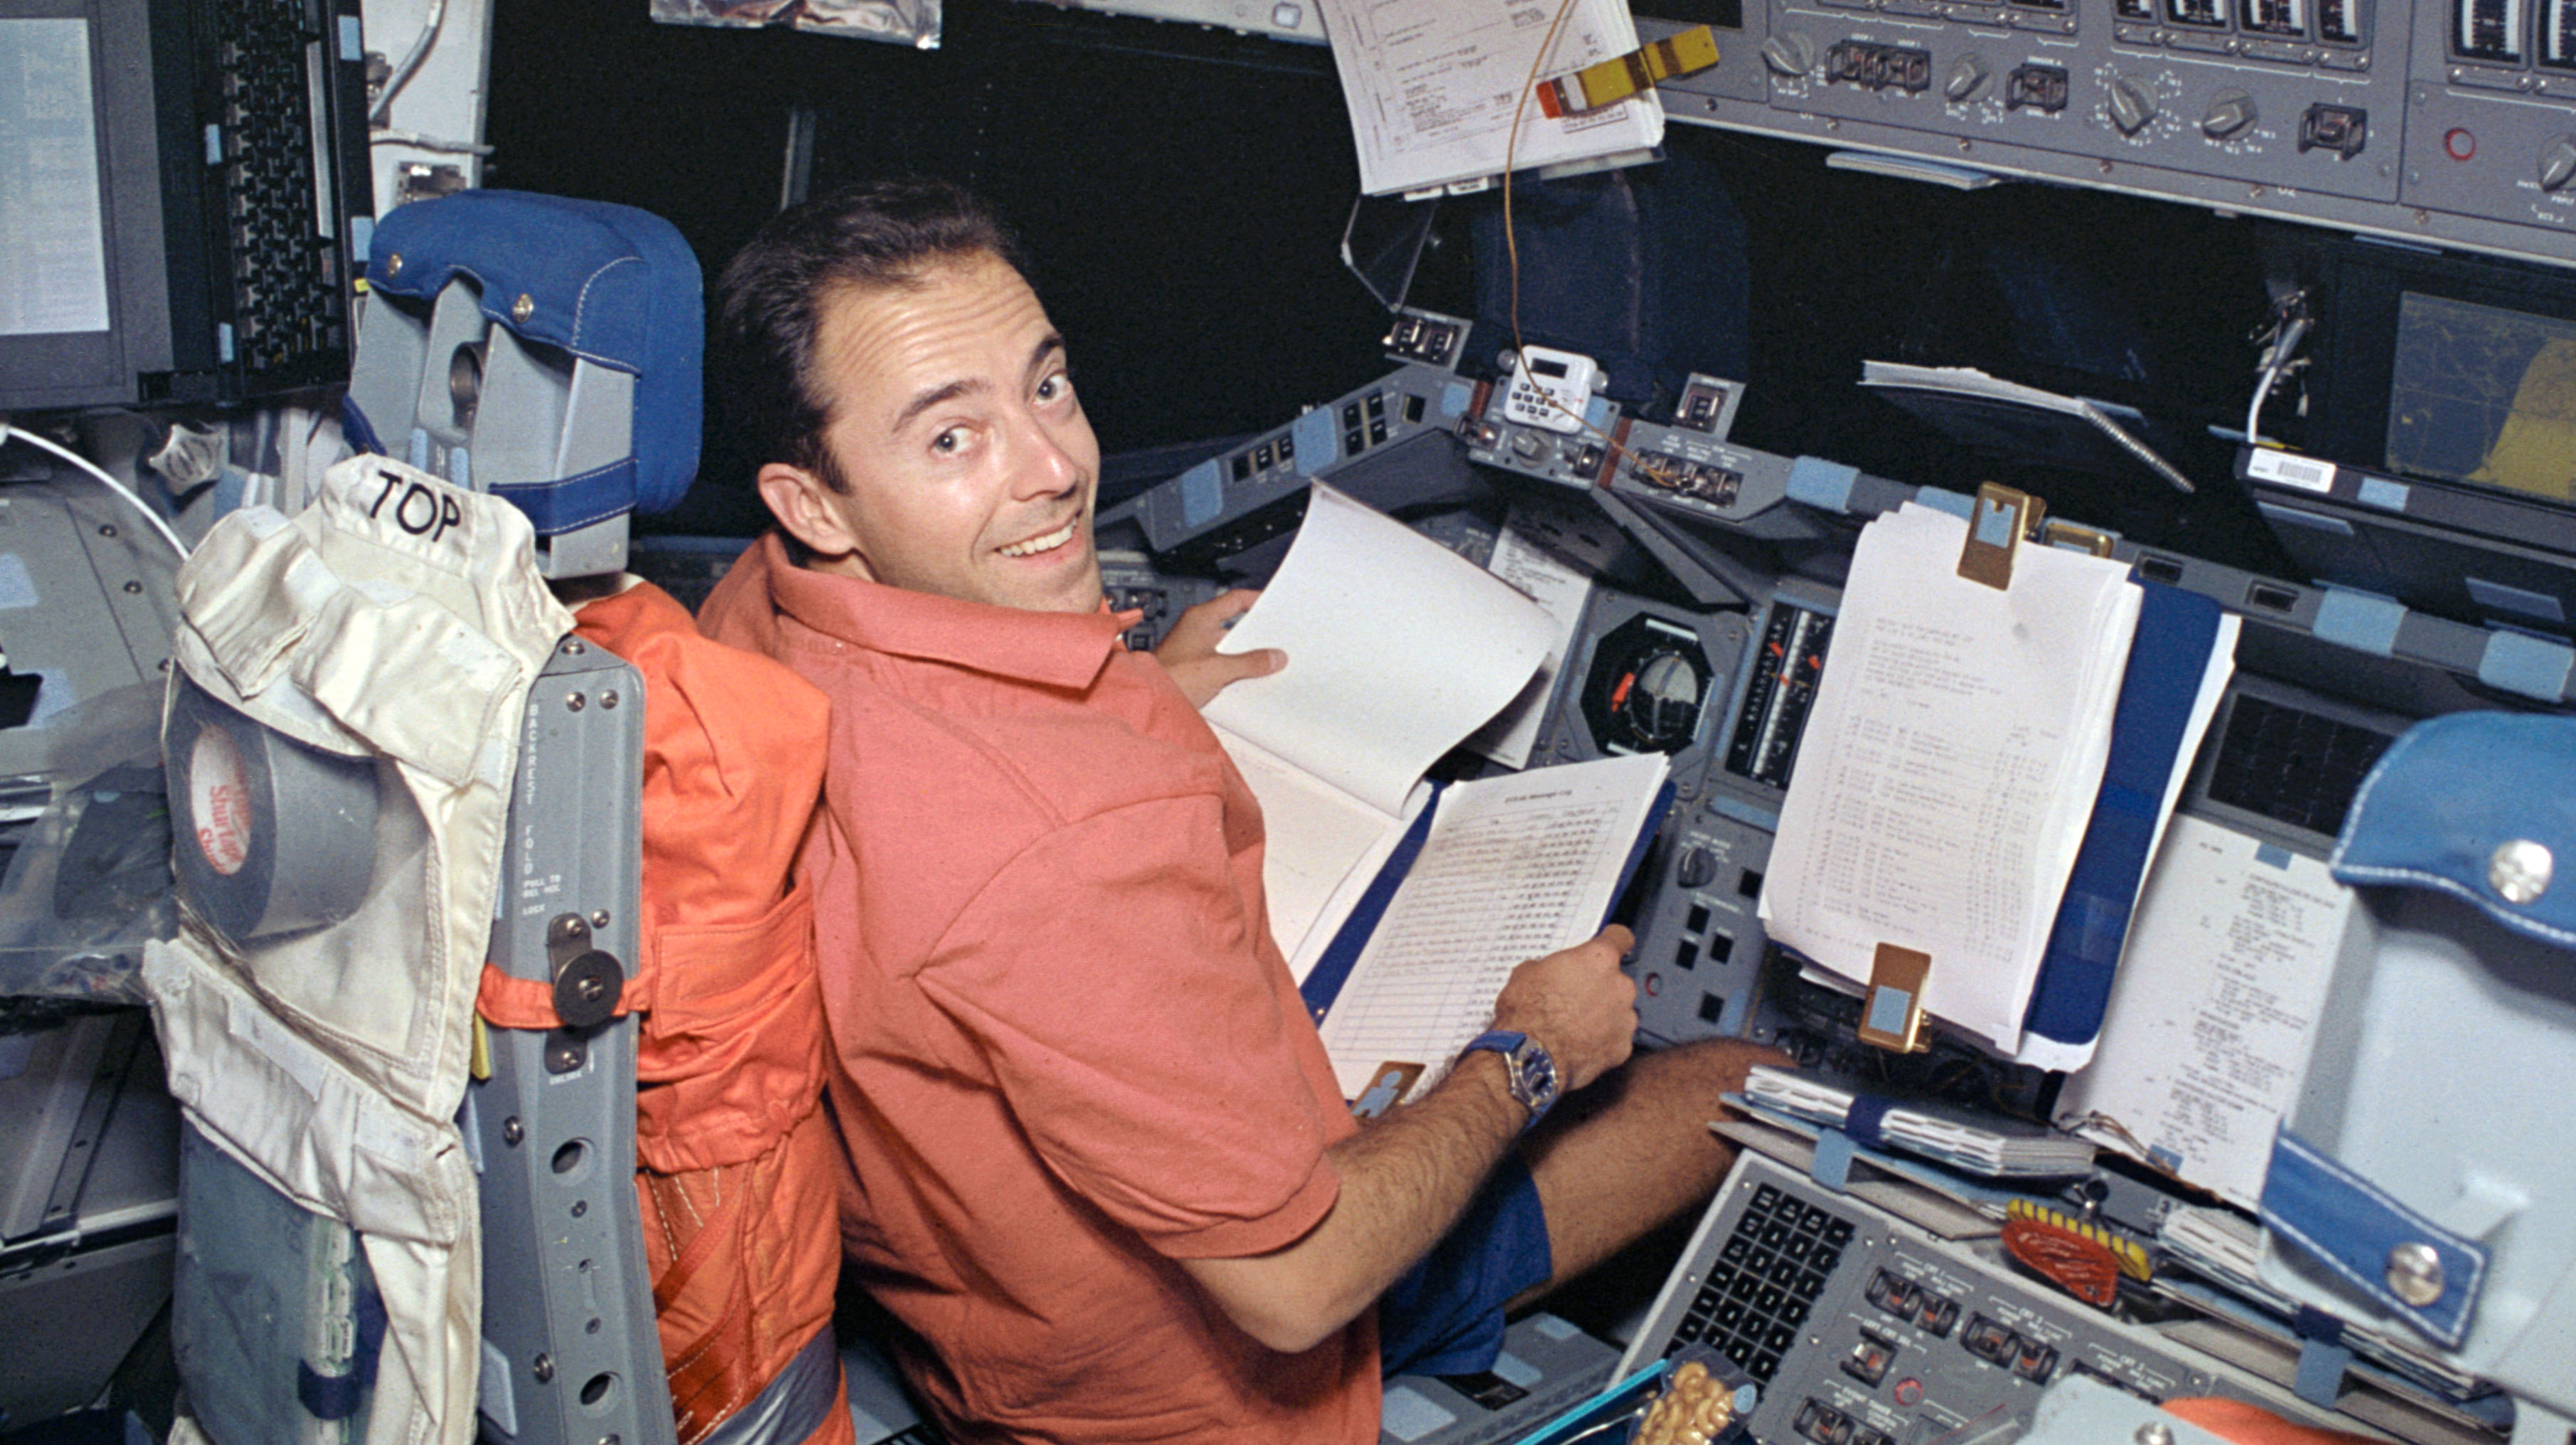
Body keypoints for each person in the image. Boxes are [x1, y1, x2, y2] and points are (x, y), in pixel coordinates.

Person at [698, 176, 1775, 1445]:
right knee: (1738, 1082)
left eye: (1045, 385)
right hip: (1212, 1373)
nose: (1056, 470)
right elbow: (1297, 1285)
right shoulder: (1061, 851)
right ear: (812, 500)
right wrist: (1530, 1052)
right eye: (952, 439)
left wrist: (1138, 690)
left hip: (995, 1332)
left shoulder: (752, 614)